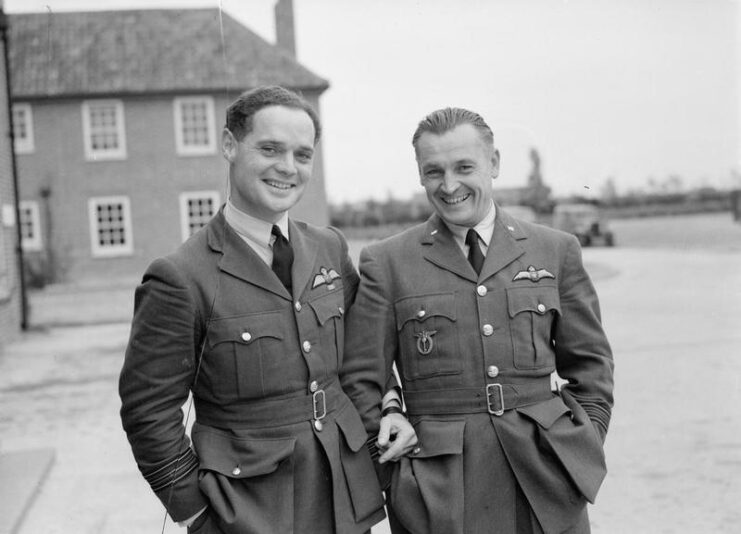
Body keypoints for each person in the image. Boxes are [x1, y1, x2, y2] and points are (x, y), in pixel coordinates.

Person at [119, 85, 410, 534]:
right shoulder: (181, 276)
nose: (287, 168)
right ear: (229, 145)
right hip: (249, 510)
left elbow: (364, 354)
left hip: (345, 499)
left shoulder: (329, 248)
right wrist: (197, 514)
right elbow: (148, 411)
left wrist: (390, 405)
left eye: (302, 154)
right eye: (270, 149)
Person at [344, 107, 615, 534]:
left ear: (494, 164)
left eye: (464, 167)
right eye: (434, 171)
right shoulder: (387, 262)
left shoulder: (555, 250)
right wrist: (397, 473)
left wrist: (577, 445)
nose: (449, 186)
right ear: (419, 174)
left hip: (544, 482)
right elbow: (361, 379)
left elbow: (592, 368)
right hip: (438, 493)